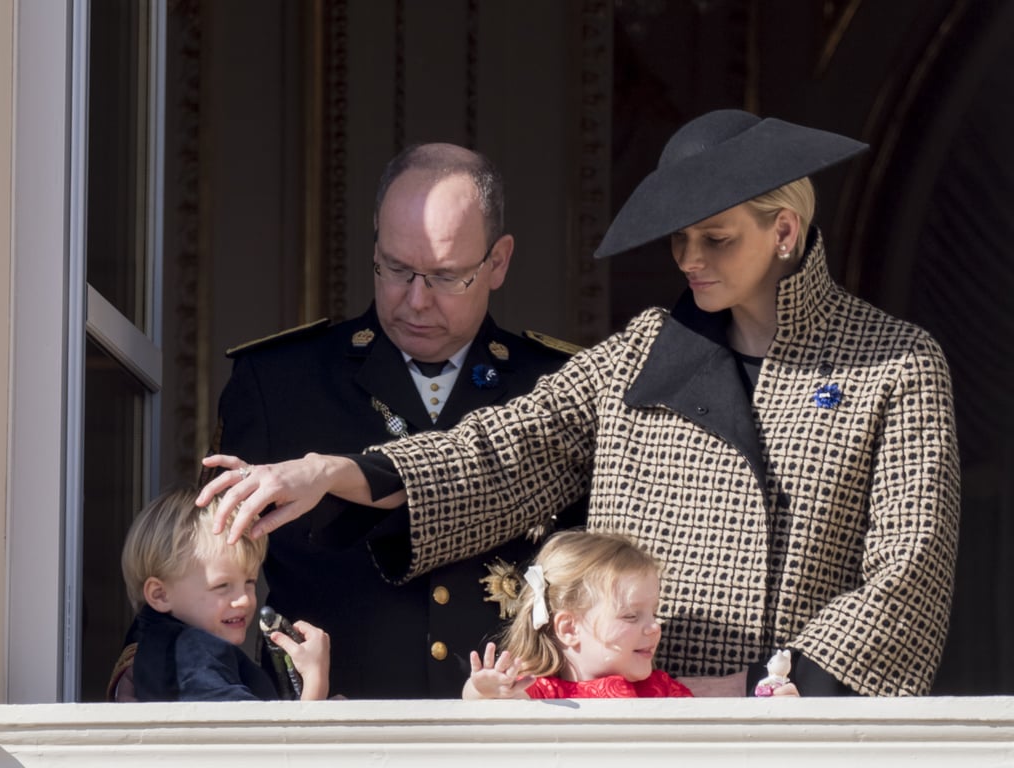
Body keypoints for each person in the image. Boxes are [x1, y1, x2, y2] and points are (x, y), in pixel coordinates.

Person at [198, 110, 961, 697]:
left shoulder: (892, 363)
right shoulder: (642, 351)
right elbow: (504, 453)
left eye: (717, 239)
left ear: (785, 230)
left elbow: (909, 569)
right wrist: (333, 472)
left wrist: (777, 688)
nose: (690, 260)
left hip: (797, 723)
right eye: (678, 240)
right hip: (631, 727)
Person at [209, 142, 584, 698]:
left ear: (498, 262)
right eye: (396, 269)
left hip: (511, 735)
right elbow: (203, 556)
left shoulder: (555, 385)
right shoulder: (279, 381)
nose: (415, 300)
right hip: (329, 731)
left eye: (445, 276)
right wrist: (149, 663)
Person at [107, 487, 330, 702]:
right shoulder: (189, 652)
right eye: (222, 585)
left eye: (249, 582)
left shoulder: (160, 644)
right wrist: (314, 684)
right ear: (160, 595)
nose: (244, 599)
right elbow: (249, 735)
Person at [463, 531, 698, 699]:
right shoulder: (543, 694)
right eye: (631, 616)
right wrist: (485, 690)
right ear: (569, 629)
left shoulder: (660, 691)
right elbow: (498, 702)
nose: (655, 626)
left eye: (654, 612)